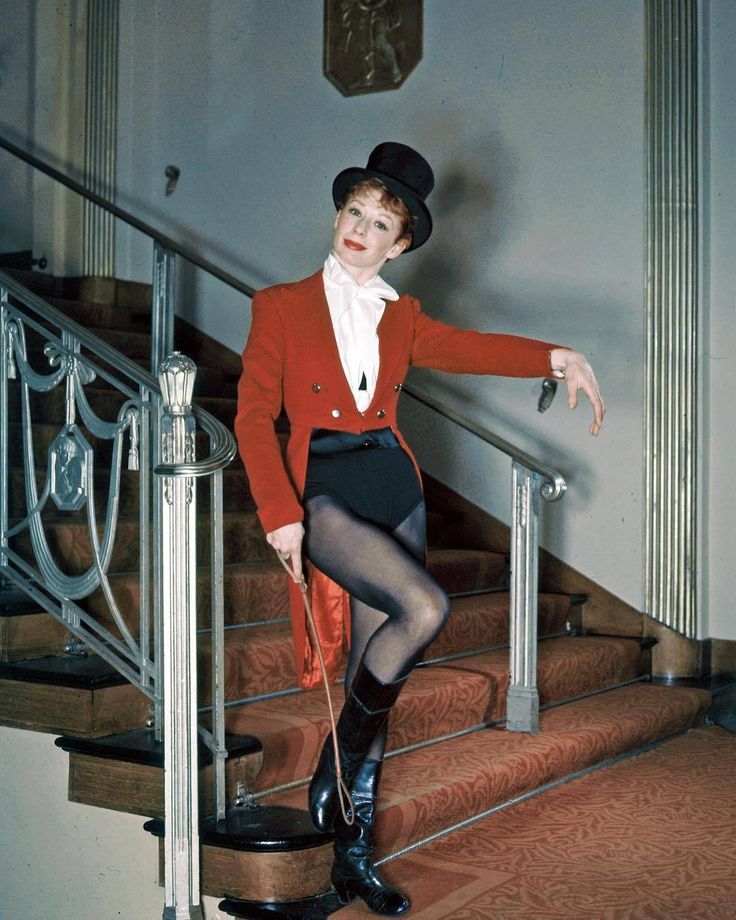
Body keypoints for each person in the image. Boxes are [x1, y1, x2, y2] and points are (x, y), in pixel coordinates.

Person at [235, 142, 605, 916]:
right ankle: (331, 781)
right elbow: (250, 418)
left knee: (385, 661)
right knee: (425, 609)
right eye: (353, 214)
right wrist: (280, 515)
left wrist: (555, 355)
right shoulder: (279, 304)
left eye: (379, 224)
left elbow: (469, 349)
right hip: (327, 488)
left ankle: (352, 852)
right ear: (338, 217)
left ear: (401, 244)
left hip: (393, 485)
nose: (360, 231)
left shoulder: (402, 316)